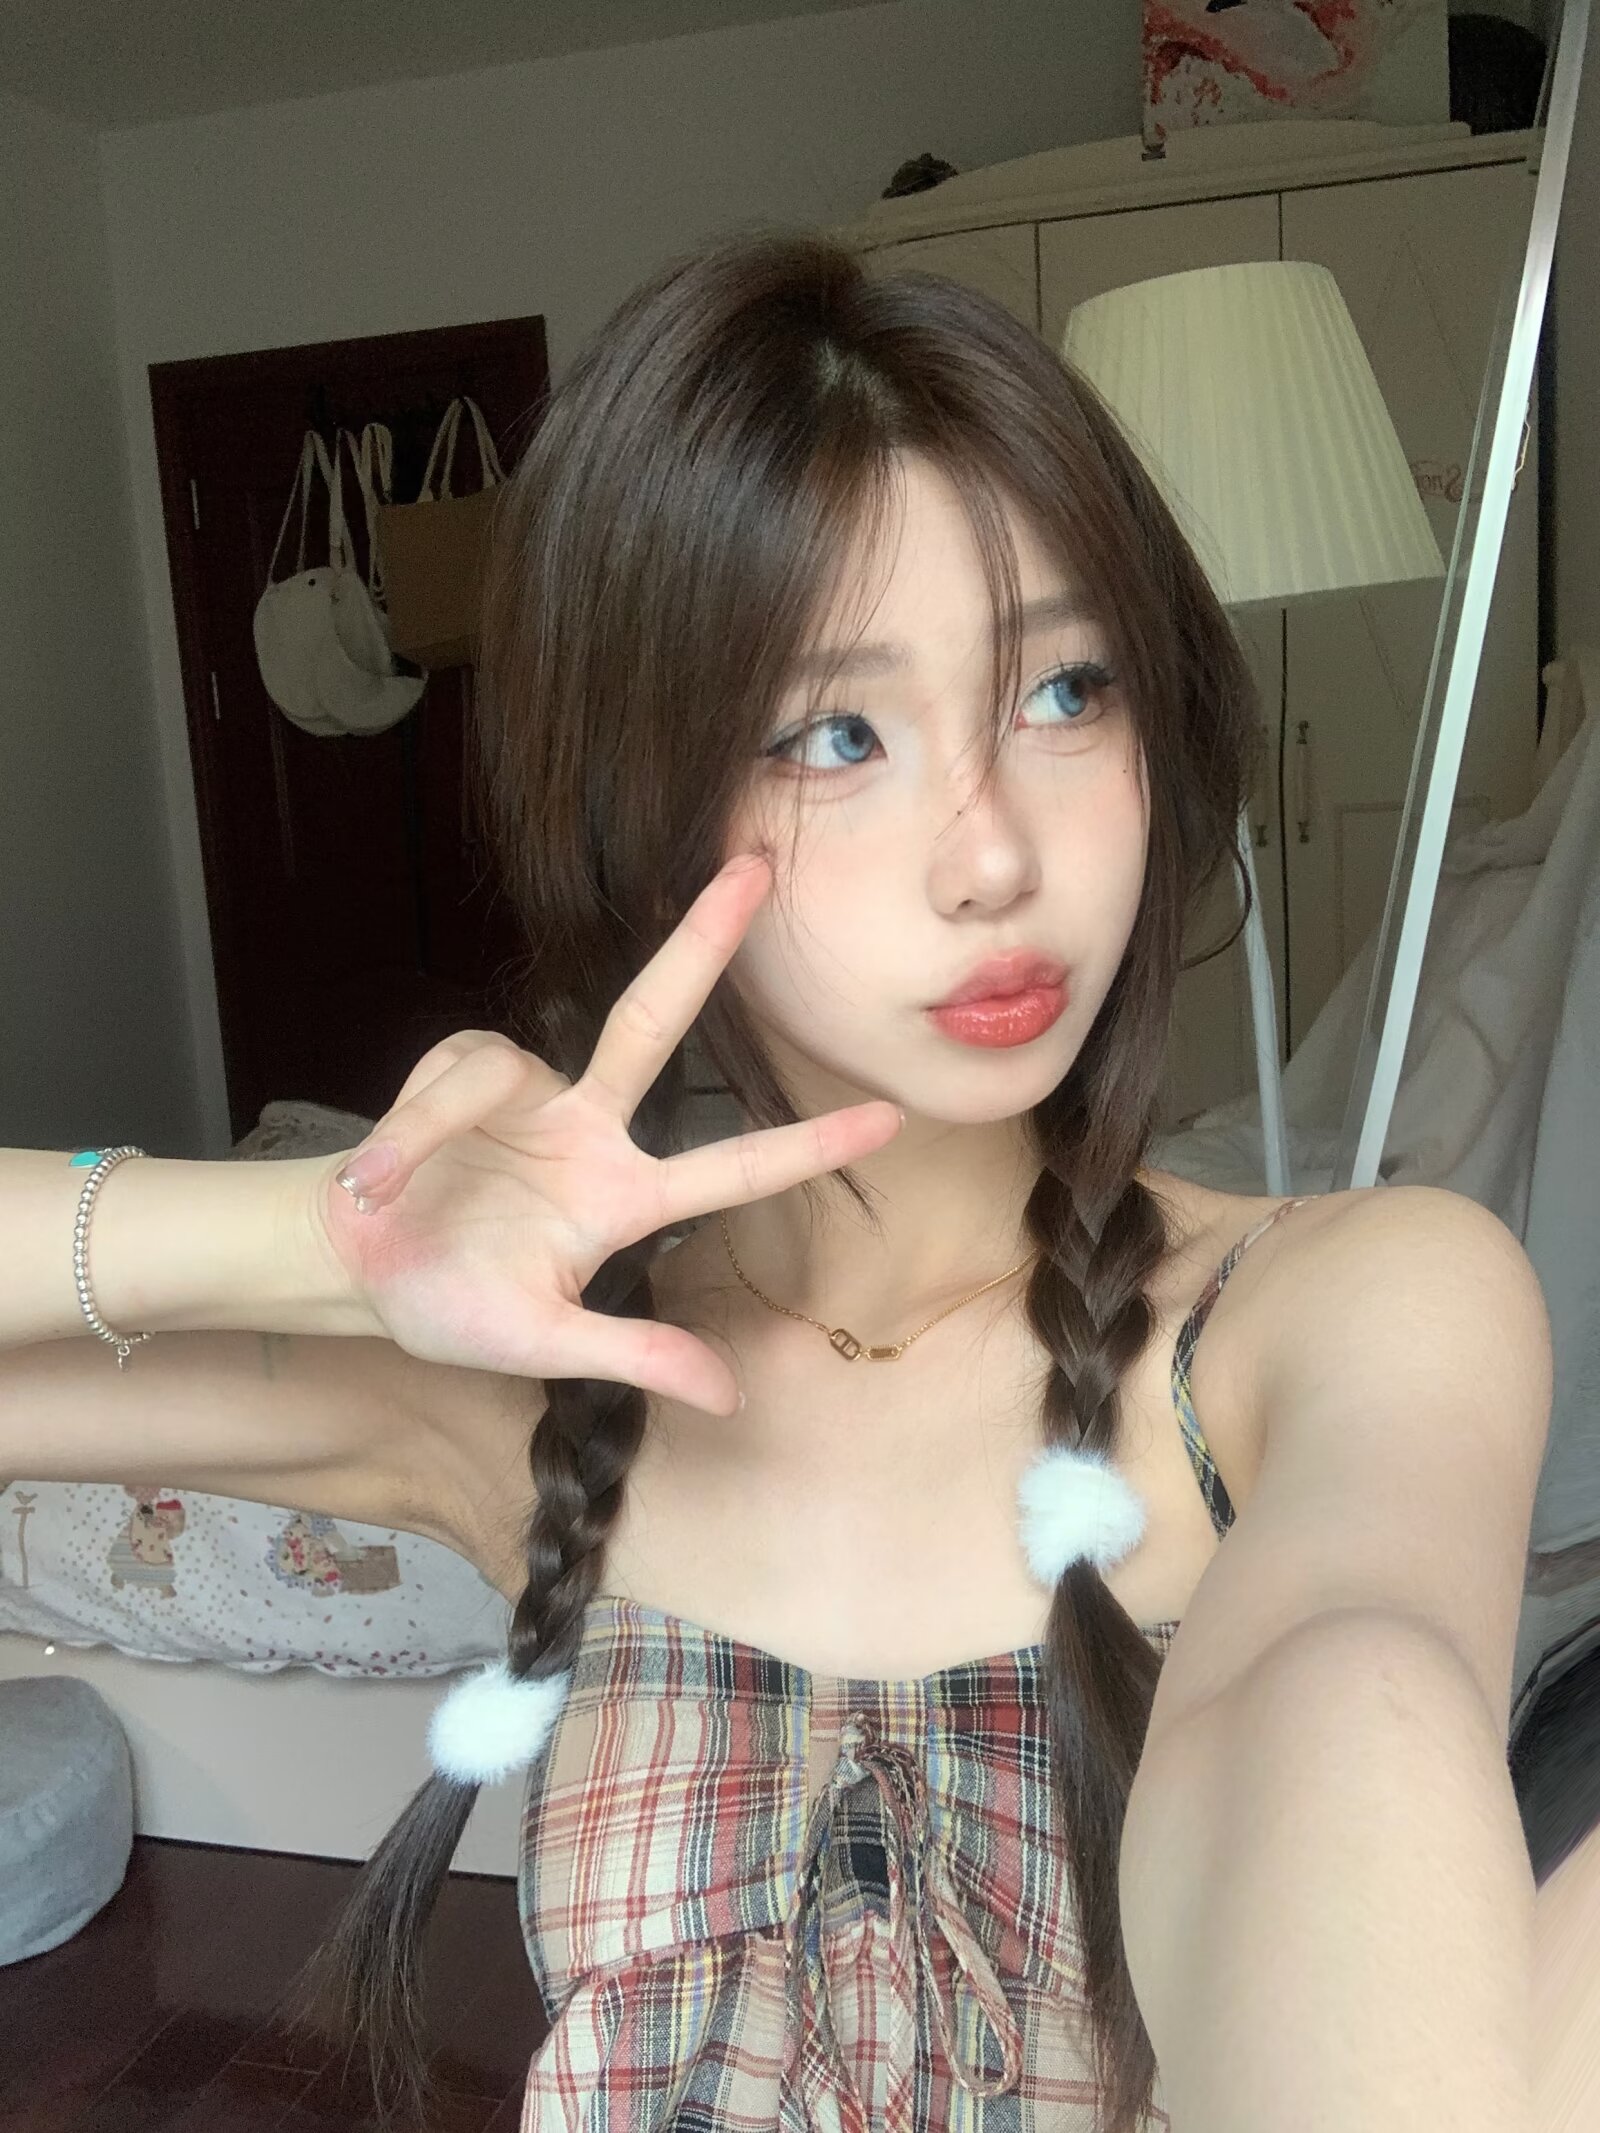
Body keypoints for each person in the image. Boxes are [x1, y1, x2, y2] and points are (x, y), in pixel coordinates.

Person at [0, 230, 1549, 2133]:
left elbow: (1356, 1705)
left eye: (1067, 689)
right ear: (645, 813)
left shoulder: (1355, 1310)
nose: (993, 853)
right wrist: (319, 1231)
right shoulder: (542, 1385)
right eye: (840, 732)